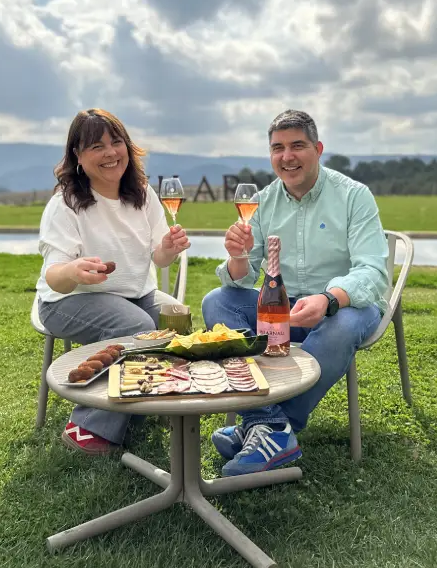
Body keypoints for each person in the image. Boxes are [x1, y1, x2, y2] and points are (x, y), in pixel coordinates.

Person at [201, 109, 389, 476]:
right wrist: (238, 256)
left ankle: (265, 429)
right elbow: (243, 278)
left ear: (318, 149)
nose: (287, 157)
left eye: (297, 146)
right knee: (217, 301)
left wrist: (328, 298)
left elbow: (372, 271)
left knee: (342, 324)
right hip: (283, 311)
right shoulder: (262, 202)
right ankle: (268, 425)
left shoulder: (354, 196)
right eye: (277, 148)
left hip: (346, 306)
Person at [34, 108, 190, 455]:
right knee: (135, 324)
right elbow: (55, 277)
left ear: (127, 147)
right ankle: (87, 428)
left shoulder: (142, 194)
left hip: (133, 294)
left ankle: (147, 397)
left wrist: (167, 248)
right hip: (67, 302)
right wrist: (74, 271)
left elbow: (161, 257)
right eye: (96, 147)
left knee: (176, 317)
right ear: (77, 156)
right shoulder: (66, 204)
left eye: (115, 142)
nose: (110, 153)